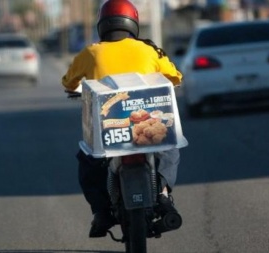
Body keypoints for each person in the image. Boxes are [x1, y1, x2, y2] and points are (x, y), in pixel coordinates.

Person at [62, 0, 183, 238]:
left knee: (88, 163)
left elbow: (68, 82)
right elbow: (175, 77)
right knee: (170, 148)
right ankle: (164, 194)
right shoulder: (149, 50)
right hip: (146, 127)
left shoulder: (90, 52)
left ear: (102, 25)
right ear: (133, 23)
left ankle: (100, 212)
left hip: (108, 132)